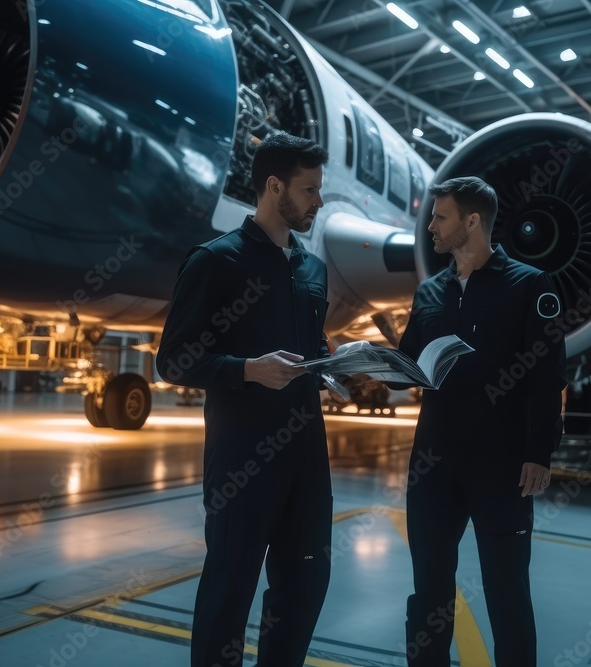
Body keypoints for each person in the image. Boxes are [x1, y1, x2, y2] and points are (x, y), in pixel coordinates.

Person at [156, 132, 334, 667]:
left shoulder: (312, 270)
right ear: (273, 186)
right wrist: (247, 370)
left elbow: (308, 350)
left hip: (306, 457)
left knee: (303, 587)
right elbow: (174, 360)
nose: (318, 202)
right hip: (243, 460)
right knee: (228, 592)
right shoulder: (217, 261)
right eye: (308, 190)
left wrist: (333, 364)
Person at [397, 176, 567, 666]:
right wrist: (369, 366)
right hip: (432, 466)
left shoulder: (529, 285)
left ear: (472, 222)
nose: (430, 225)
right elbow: (409, 363)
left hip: (504, 465)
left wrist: (539, 452)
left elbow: (546, 376)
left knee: (507, 592)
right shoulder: (430, 291)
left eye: (440, 216)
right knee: (428, 590)